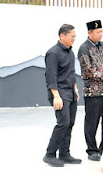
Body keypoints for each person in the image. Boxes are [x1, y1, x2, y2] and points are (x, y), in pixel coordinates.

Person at [78, 20, 103, 161]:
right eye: (98, 32)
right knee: (92, 122)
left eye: (101, 32)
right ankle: (92, 150)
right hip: (93, 93)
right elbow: (88, 71)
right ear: (89, 33)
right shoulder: (84, 48)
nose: (101, 34)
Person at [43, 24, 82, 167]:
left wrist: (75, 89)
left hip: (70, 92)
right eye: (72, 36)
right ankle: (50, 154)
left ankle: (64, 154)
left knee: (70, 123)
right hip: (59, 93)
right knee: (63, 123)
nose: (74, 39)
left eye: (75, 36)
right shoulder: (53, 53)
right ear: (62, 36)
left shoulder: (70, 53)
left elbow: (71, 73)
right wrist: (56, 96)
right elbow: (51, 76)